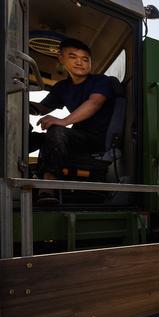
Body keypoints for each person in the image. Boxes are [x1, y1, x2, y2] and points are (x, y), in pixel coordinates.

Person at [29, 37, 115, 203]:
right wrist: (17, 100)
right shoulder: (62, 87)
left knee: (56, 130)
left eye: (85, 59)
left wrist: (63, 121)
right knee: (32, 138)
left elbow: (94, 103)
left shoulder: (101, 81)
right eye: (73, 57)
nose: (79, 62)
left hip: (95, 140)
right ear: (61, 59)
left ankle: (48, 187)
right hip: (75, 138)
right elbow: (42, 109)